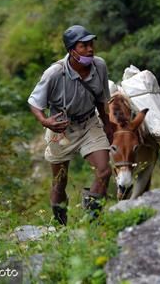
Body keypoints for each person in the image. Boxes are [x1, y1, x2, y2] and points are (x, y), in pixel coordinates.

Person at [28, 25, 114, 225]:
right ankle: (60, 226)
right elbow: (34, 101)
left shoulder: (99, 66)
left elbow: (102, 98)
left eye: (91, 44)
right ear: (71, 51)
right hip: (61, 129)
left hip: (89, 122)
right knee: (59, 183)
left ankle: (91, 221)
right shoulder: (54, 73)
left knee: (104, 171)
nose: (90, 49)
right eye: (83, 46)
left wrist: (107, 125)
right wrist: (45, 121)